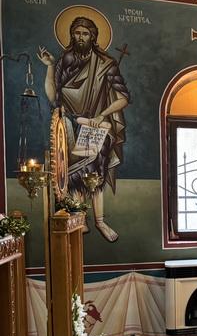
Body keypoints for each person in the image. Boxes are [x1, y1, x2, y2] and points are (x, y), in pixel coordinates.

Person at [38, 16, 130, 242]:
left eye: (85, 33)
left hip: (96, 126)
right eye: (77, 33)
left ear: (93, 37)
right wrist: (50, 67)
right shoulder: (65, 61)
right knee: (73, 173)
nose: (81, 37)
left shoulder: (106, 63)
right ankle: (81, 217)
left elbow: (123, 98)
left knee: (95, 173)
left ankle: (100, 220)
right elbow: (53, 97)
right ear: (72, 35)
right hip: (69, 125)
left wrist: (102, 115)